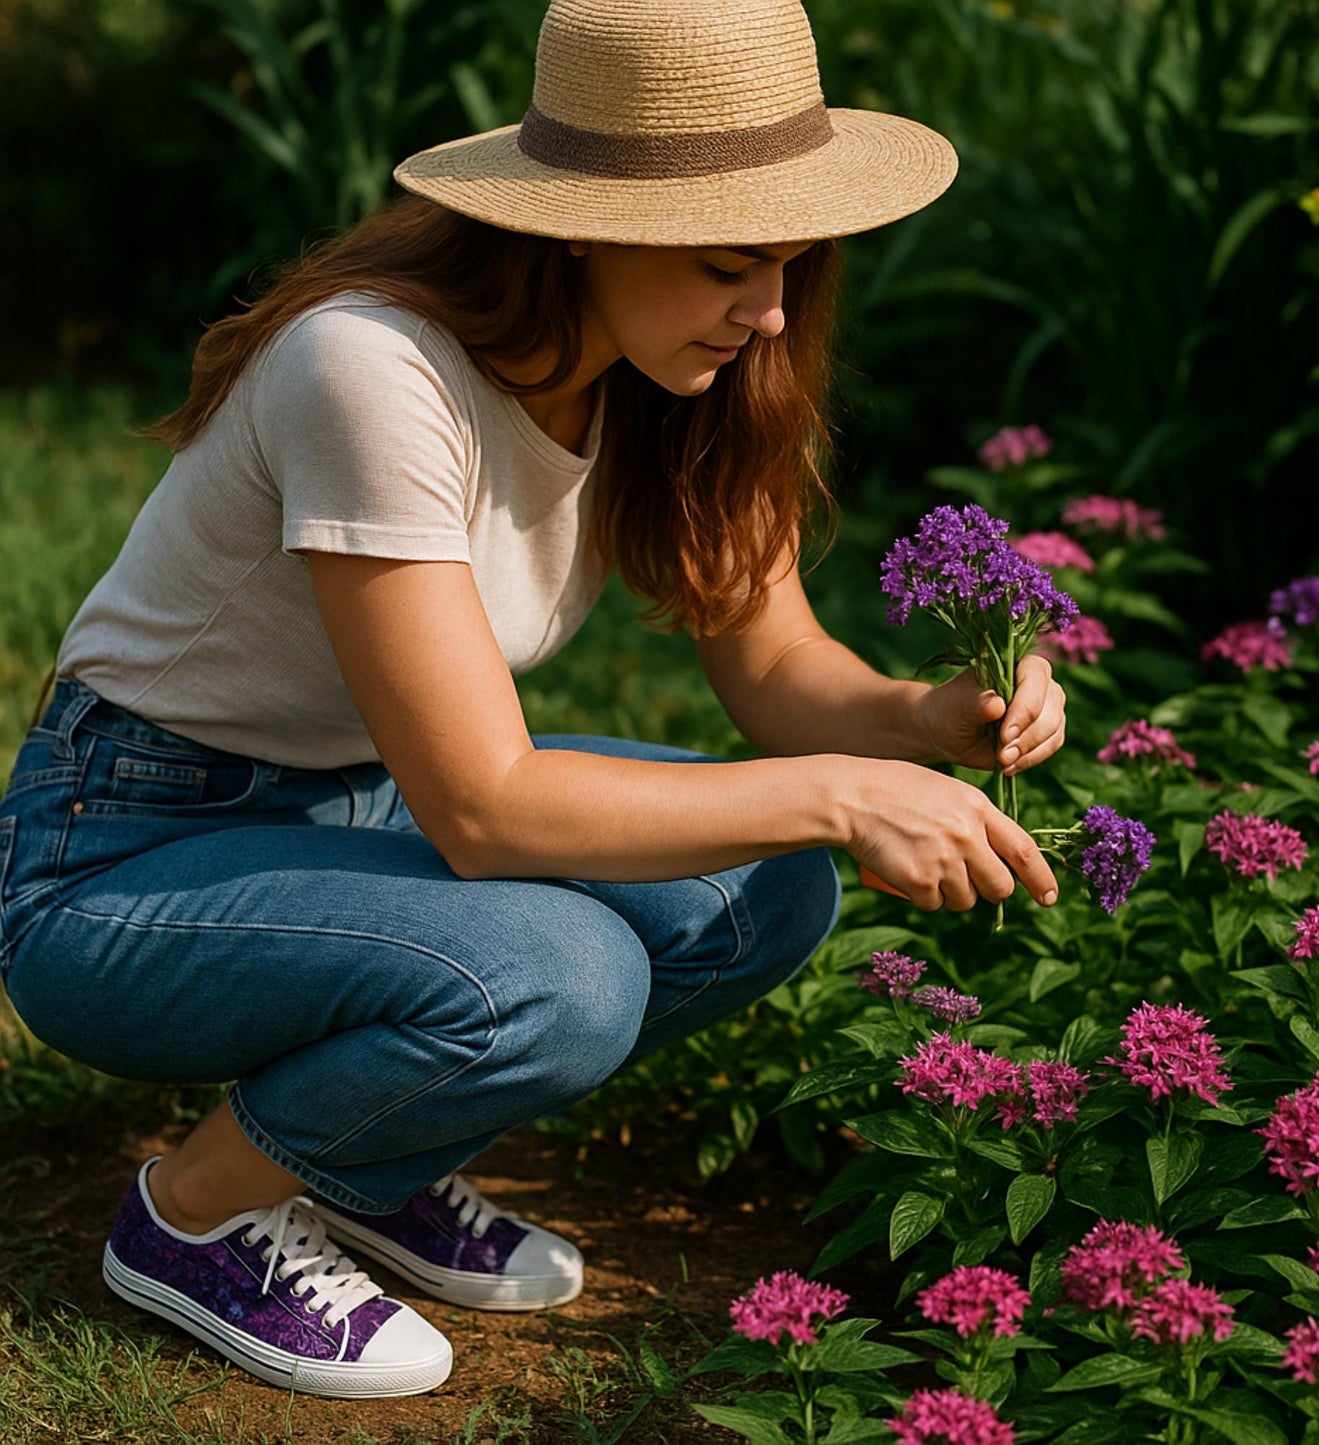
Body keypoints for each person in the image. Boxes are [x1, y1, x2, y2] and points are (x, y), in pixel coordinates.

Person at [0, 0, 1066, 1401]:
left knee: (765, 884)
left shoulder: (670, 371)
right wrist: (843, 791)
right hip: (119, 861)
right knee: (562, 974)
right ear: (581, 227)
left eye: (795, 265)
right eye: (731, 266)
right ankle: (195, 1212)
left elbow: (775, 671)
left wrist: (924, 720)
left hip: (359, 804)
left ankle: (367, 1158)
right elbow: (484, 805)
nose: (771, 312)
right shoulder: (368, 368)